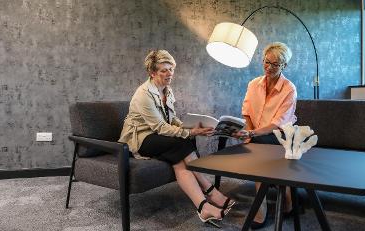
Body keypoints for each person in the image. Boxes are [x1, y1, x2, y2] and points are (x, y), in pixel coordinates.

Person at [119, 50, 235, 227]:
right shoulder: (143, 94)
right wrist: (190, 133)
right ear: (152, 73)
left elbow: (171, 119)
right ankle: (211, 191)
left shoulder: (167, 90)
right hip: (140, 138)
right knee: (183, 142)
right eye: (164, 70)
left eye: (171, 69)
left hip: (157, 135)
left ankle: (203, 207)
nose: (169, 74)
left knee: (180, 158)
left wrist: (192, 126)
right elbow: (160, 127)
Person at [235, 42, 297, 229]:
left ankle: (262, 205)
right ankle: (284, 200)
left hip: (281, 134)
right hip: (258, 134)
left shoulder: (289, 89)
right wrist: (248, 131)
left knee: (259, 144)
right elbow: (246, 111)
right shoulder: (254, 84)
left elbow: (278, 123)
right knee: (257, 143)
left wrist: (252, 133)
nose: (269, 67)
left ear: (284, 66)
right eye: (266, 62)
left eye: (275, 64)